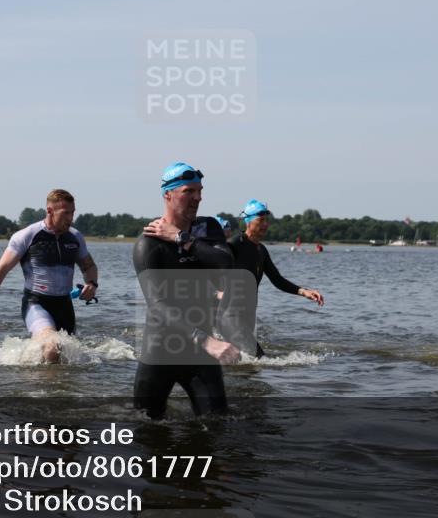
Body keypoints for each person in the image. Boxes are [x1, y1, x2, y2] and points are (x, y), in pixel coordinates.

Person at [132, 162, 240, 420]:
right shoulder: (148, 244)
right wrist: (208, 341)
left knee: (218, 427)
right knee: (146, 431)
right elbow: (157, 305)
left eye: (200, 191)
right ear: (168, 194)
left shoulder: (208, 228)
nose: (198, 198)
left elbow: (225, 263)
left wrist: (182, 238)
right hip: (161, 352)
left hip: (200, 355)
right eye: (188, 191)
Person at [0, 189, 98, 363]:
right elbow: (0, 271)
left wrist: (92, 284)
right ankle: (45, 390)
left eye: (72, 213)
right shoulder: (27, 236)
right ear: (50, 210)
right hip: (36, 304)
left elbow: (89, 266)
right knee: (53, 346)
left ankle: (43, 381)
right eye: (66, 213)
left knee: (67, 359)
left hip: (64, 305)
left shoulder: (75, 237)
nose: (71, 218)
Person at [228, 199, 324, 357]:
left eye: (267, 220)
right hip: (230, 314)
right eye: (261, 220)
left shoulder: (261, 250)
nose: (265, 224)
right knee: (258, 358)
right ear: (248, 221)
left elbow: (277, 279)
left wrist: (303, 291)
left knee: (244, 364)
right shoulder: (234, 245)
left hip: (248, 315)